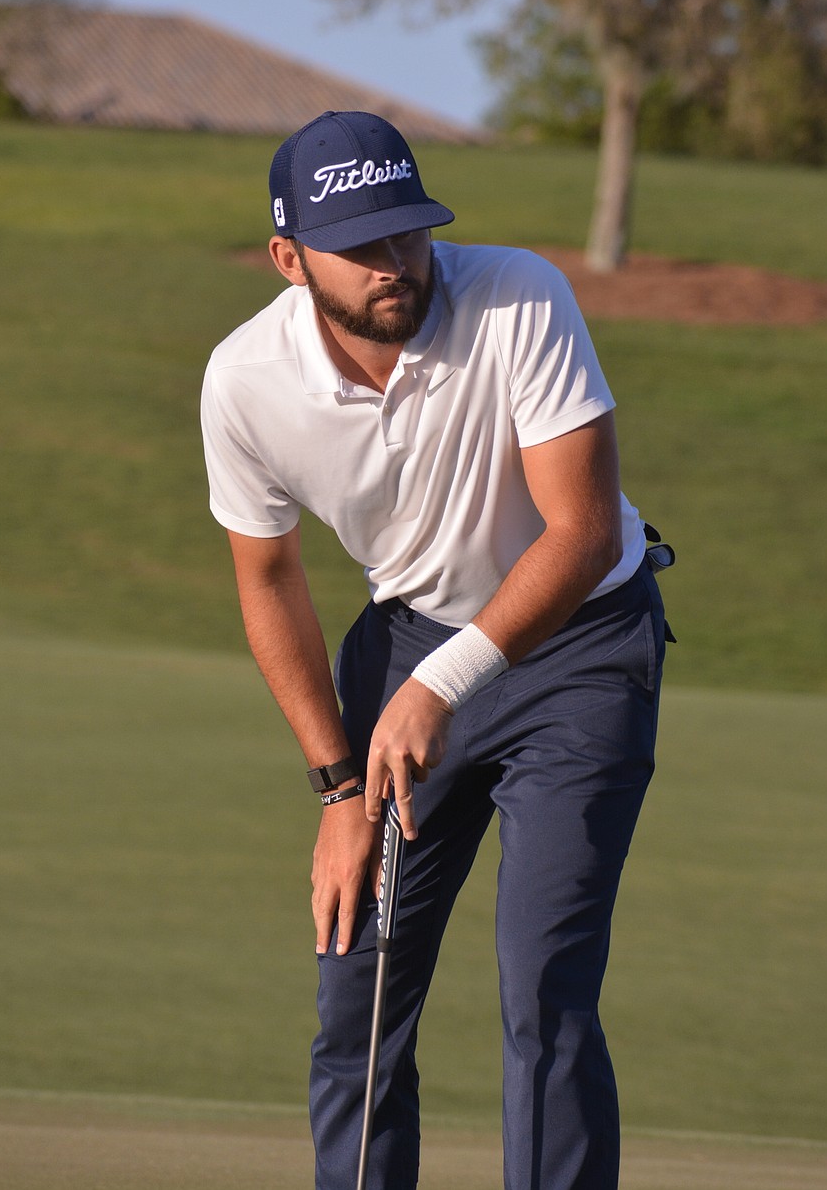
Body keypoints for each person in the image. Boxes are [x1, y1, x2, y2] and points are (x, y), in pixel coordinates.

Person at [200, 109, 672, 1190]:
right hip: (409, 634)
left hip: (581, 651)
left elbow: (584, 531)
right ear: (288, 259)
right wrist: (335, 793)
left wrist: (438, 687)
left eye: (407, 233)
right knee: (356, 986)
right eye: (359, 245)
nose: (393, 263)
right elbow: (267, 577)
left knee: (542, 983)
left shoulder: (517, 294)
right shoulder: (244, 381)